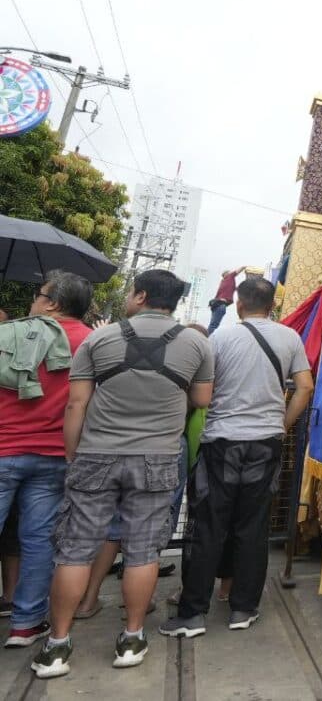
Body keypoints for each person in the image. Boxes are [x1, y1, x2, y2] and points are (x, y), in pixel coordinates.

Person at [32, 270, 213, 679]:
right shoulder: (196, 343)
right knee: (144, 550)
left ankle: (57, 646)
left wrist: (73, 454)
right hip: (158, 457)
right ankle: (132, 637)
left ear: (142, 295)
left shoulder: (101, 338)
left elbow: (76, 404)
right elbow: (202, 398)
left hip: (97, 453)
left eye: (132, 291)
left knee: (76, 548)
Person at [161, 277, 313, 638]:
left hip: (222, 442)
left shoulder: (221, 338)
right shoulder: (290, 337)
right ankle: (243, 608)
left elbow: (203, 394)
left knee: (208, 525)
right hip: (266, 442)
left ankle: (193, 612)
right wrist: (282, 423)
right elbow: (304, 386)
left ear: (240, 305)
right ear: (272, 305)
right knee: (253, 526)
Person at [0, 271, 94, 648]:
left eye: (39, 295)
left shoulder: (9, 333)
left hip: (4, 446)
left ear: (53, 303)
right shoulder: (92, 342)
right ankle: (25, 625)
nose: (34, 302)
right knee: (39, 541)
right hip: (57, 454)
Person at [207, 266, 245, 333]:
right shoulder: (229, 277)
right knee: (214, 325)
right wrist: (245, 267)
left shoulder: (224, 282)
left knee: (213, 325)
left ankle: (208, 338)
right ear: (226, 274)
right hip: (220, 304)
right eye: (229, 272)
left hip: (216, 304)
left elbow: (235, 289)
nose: (231, 273)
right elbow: (238, 270)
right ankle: (208, 340)